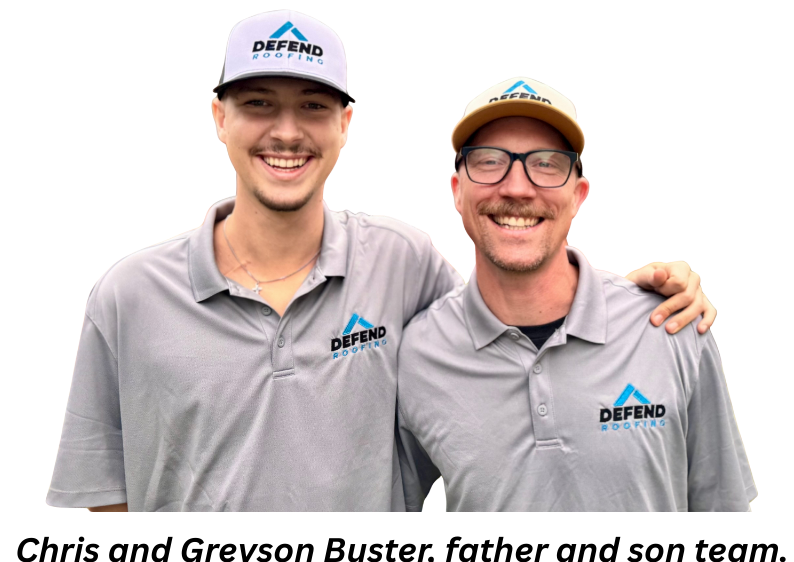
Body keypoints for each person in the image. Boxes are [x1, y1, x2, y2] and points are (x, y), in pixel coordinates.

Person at [46, 12, 717, 512]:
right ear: (219, 117)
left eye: (313, 106)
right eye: (258, 104)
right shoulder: (125, 294)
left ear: (345, 125)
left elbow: (509, 329)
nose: (286, 131)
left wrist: (635, 301)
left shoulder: (402, 260)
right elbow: (107, 494)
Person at [395, 76, 755, 512]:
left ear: (578, 195)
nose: (517, 188)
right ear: (456, 191)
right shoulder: (414, 357)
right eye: (489, 161)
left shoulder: (673, 328)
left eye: (546, 164)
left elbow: (722, 503)